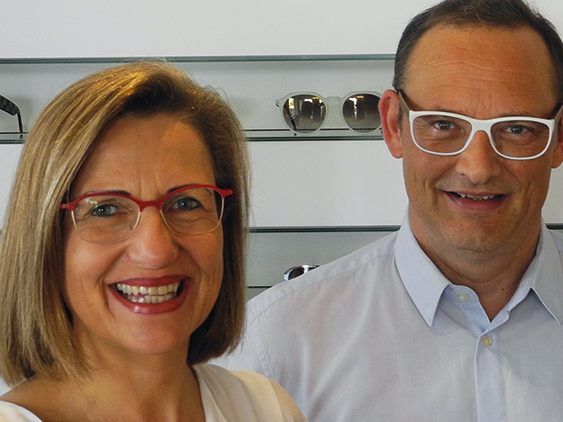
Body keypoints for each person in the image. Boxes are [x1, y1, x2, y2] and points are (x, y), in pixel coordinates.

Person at [220, 0, 563, 420]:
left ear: (559, 138)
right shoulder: (275, 347)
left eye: (517, 129)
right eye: (442, 124)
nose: (477, 169)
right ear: (393, 125)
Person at [0, 62, 305, 421]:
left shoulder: (264, 408)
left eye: (186, 203)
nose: (155, 250)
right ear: (45, 241)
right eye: (105, 209)